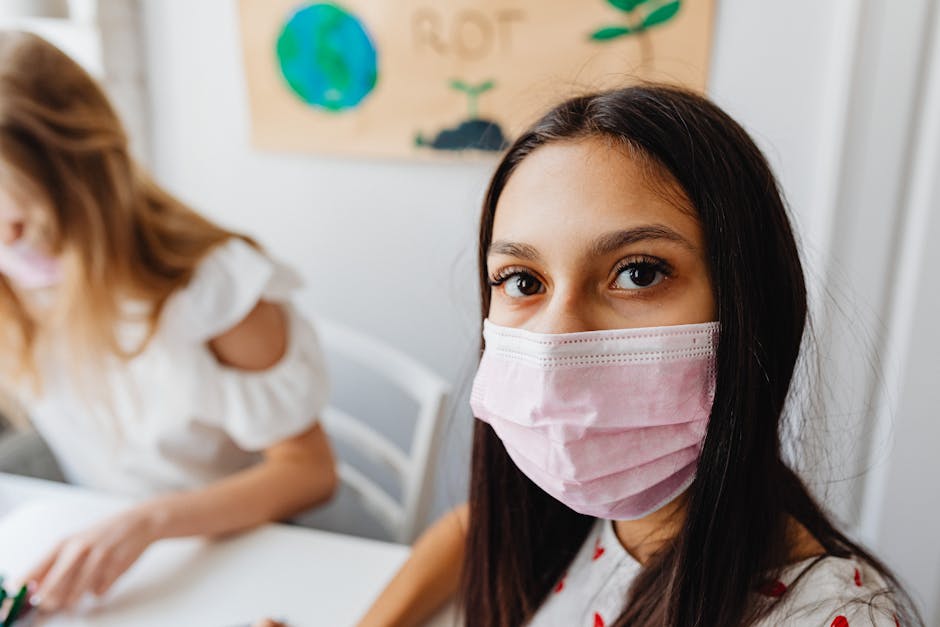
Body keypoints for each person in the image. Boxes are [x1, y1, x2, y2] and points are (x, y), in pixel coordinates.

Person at [353, 85, 922, 626]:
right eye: (523, 281)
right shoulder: (578, 515)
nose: (557, 343)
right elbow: (474, 531)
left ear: (751, 304)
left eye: (639, 272)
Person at [0, 31, 337, 613]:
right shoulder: (15, 280)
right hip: (110, 549)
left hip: (236, 552)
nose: (6, 241)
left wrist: (149, 521)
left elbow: (308, 473)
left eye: (22, 220)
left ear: (84, 184)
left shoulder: (218, 291)